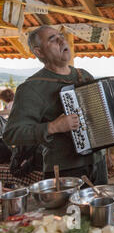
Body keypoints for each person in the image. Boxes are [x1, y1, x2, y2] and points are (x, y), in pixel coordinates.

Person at [3, 25, 107, 185]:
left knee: (101, 210)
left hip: (98, 164)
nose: (61, 40)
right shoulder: (31, 87)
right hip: (64, 170)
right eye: (52, 39)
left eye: (60, 36)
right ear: (39, 52)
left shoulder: (84, 75)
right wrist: (53, 127)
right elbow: (12, 134)